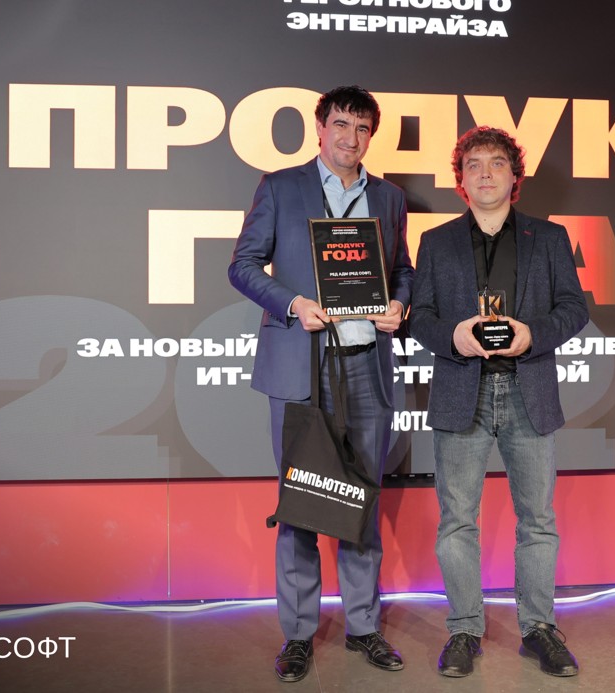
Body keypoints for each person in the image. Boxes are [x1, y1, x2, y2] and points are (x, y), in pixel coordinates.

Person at [229, 85, 413, 683]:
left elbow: (403, 271)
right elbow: (242, 265)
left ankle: (363, 626)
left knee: (362, 499)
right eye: (340, 124)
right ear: (320, 127)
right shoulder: (281, 187)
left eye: (361, 128)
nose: (349, 138)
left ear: (370, 137)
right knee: (301, 503)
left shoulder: (389, 197)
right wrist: (292, 304)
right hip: (301, 367)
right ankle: (299, 635)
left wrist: (400, 304)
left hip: (365, 365)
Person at [409, 126, 588, 678]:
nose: (485, 173)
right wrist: (453, 337)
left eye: (496, 163)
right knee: (456, 521)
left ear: (515, 176)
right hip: (461, 392)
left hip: (528, 391)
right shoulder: (436, 242)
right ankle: (464, 630)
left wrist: (533, 334)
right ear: (461, 181)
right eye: (474, 164)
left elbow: (574, 308)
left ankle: (539, 629)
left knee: (537, 520)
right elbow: (419, 318)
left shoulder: (549, 237)